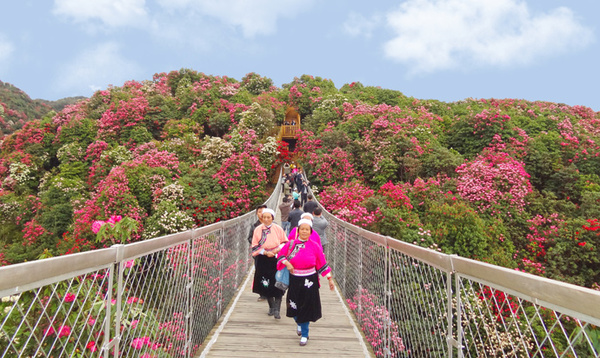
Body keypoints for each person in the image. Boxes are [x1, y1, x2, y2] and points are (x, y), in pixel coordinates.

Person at [277, 219, 334, 346]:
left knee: (306, 306)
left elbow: (322, 263)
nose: (304, 231)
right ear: (298, 231)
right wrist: (287, 263)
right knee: (293, 305)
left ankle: (304, 334)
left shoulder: (315, 246)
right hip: (295, 279)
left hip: (310, 280)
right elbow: (280, 256)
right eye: (302, 229)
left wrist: (329, 278)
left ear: (310, 232)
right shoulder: (290, 244)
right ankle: (299, 323)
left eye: (307, 229)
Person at [251, 209, 288, 319]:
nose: (266, 219)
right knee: (266, 283)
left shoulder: (278, 228)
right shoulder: (258, 230)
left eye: (269, 217)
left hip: (276, 258)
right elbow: (255, 245)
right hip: (263, 258)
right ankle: (271, 306)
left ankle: (277, 309)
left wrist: (276, 250)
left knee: (278, 282)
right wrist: (266, 252)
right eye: (264, 217)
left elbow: (285, 242)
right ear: (261, 218)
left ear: (272, 217)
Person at [248, 204, 268, 301]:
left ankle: (270, 291)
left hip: (270, 253)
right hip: (259, 254)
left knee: (270, 272)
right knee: (260, 273)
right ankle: (263, 293)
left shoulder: (273, 225)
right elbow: (249, 238)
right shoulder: (254, 226)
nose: (261, 214)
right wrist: (257, 244)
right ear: (256, 213)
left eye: (263, 211)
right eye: (259, 212)